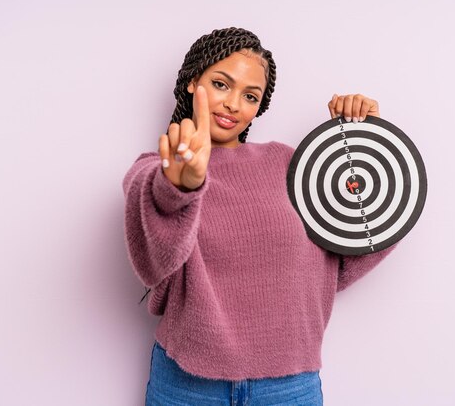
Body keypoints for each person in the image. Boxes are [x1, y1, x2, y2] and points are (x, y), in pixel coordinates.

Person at [122, 27, 397, 406]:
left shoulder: (292, 166)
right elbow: (156, 259)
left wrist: (365, 142)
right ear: (191, 82)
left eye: (249, 95)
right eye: (221, 84)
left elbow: (350, 252)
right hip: (187, 386)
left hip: (289, 387)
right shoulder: (154, 170)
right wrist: (181, 187)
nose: (233, 104)